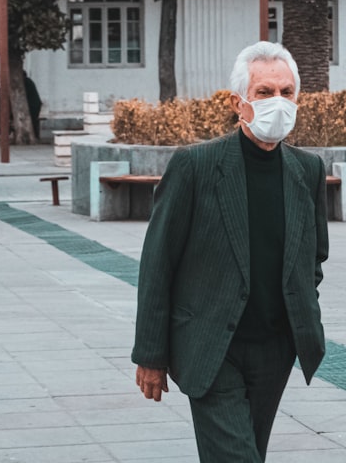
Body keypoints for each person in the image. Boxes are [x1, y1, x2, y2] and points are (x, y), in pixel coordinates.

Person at [133, 41, 329, 463]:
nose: (278, 102)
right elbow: (157, 264)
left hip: (274, 349)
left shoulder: (307, 170)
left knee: (249, 451)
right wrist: (150, 354)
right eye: (264, 92)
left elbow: (313, 257)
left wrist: (297, 309)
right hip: (209, 346)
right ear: (237, 103)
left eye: (287, 92)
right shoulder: (195, 166)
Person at [24, 72, 43, 140]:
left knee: (33, 120)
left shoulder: (25, 82)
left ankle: (35, 135)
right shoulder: (28, 81)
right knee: (34, 120)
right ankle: (35, 135)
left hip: (33, 104)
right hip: (35, 104)